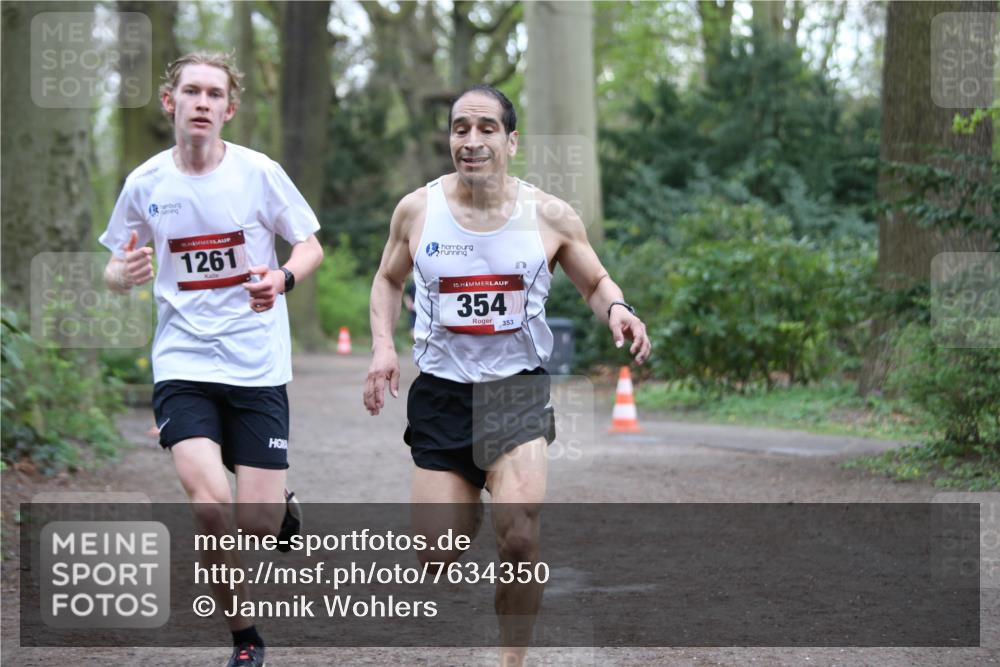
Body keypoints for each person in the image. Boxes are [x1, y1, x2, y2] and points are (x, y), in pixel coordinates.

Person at [363, 84, 650, 667]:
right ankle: (468, 498)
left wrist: (619, 309)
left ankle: (511, 660)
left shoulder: (549, 215)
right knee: (437, 554)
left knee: (519, 536)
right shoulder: (417, 210)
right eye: (460, 129)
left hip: (515, 393)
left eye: (486, 128)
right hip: (442, 396)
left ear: (511, 141)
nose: (471, 141)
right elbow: (389, 279)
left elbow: (596, 283)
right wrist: (382, 347)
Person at [101, 52, 323, 667]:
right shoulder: (146, 182)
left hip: (256, 362)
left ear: (229, 108)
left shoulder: (258, 173)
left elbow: (309, 245)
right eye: (191, 91)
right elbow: (115, 263)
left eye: (214, 93)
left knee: (256, 521)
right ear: (169, 102)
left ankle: (279, 506)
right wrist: (124, 273)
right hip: (183, 362)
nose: (202, 102)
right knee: (209, 507)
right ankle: (245, 639)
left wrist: (282, 278)